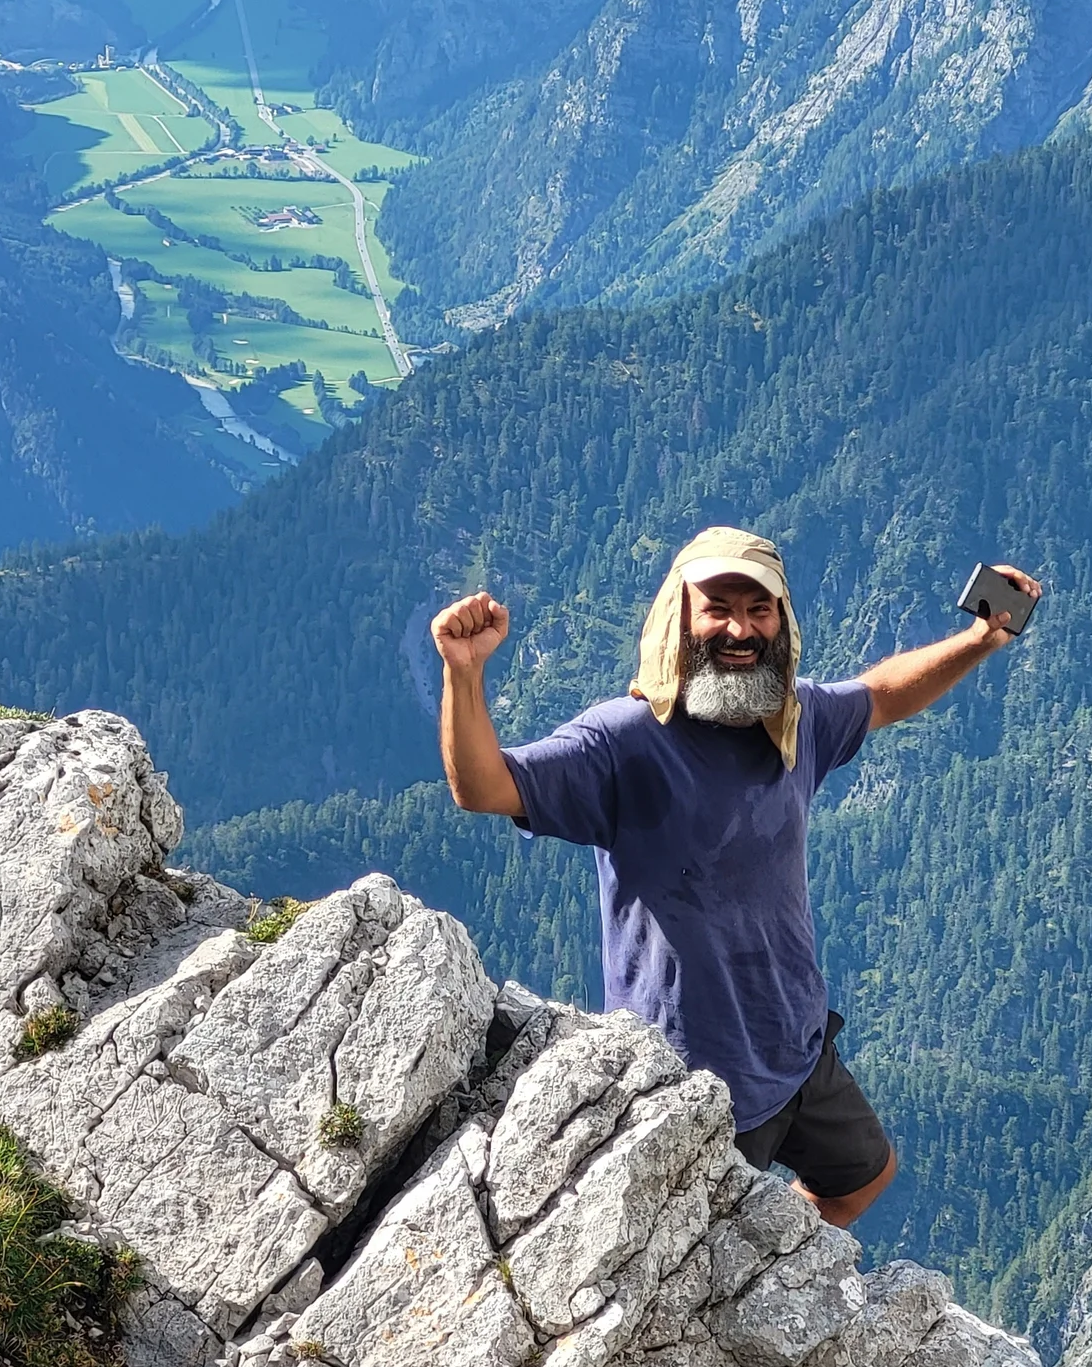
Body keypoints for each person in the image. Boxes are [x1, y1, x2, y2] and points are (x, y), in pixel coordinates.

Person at [431, 526, 1040, 1227]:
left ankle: (771, 1259)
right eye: (717, 607)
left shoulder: (794, 722)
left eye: (760, 609)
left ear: (781, 620)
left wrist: (978, 641)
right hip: (690, 1078)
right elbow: (483, 787)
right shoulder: (624, 742)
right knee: (688, 1254)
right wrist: (463, 673)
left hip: (796, 1046)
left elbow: (880, 697)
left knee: (860, 1178)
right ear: (678, 619)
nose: (740, 628)